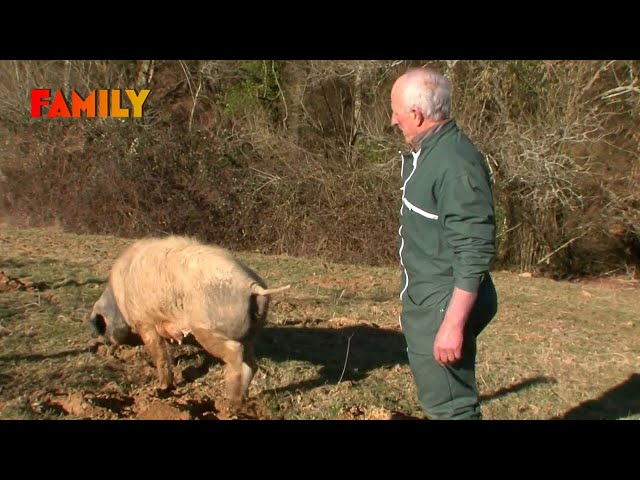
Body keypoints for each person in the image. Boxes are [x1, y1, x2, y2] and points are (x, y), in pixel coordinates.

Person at [390, 67, 498, 420]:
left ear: (417, 115)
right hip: (429, 300)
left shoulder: (454, 166)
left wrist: (451, 325)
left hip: (444, 304)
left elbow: (474, 250)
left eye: (396, 112)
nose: (393, 120)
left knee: (450, 407)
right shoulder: (430, 153)